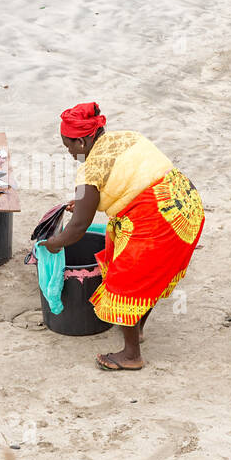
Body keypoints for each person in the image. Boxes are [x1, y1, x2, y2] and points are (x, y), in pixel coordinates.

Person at [41, 103, 204, 371]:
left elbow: (78, 228)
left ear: (82, 141)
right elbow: (130, 178)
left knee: (126, 279)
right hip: (185, 205)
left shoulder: (89, 170)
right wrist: (83, 202)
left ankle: (131, 356)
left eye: (68, 145)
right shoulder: (127, 137)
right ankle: (136, 328)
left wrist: (52, 245)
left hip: (158, 218)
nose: (69, 152)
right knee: (149, 275)